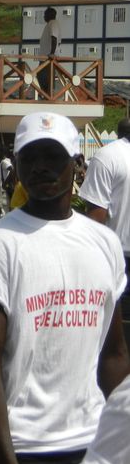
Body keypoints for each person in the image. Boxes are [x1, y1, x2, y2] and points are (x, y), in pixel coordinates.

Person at [0, 112, 128, 464]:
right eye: (30, 157)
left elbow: (113, 355)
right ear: (17, 164)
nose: (40, 167)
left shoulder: (104, 243)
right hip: (23, 445)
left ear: (77, 164)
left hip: (93, 440)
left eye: (52, 157)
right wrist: (6, 458)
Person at [80, 117, 130, 346]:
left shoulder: (107, 156)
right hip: (118, 258)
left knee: (115, 340)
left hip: (117, 257)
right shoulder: (109, 156)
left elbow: (95, 217)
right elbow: (96, 218)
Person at [37, 7, 60, 96]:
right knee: (43, 76)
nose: (44, 17)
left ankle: (48, 94)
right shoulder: (50, 24)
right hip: (45, 57)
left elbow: (54, 38)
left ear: (50, 15)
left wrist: (52, 53)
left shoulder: (53, 23)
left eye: (45, 15)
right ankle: (47, 94)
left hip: (48, 57)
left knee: (45, 76)